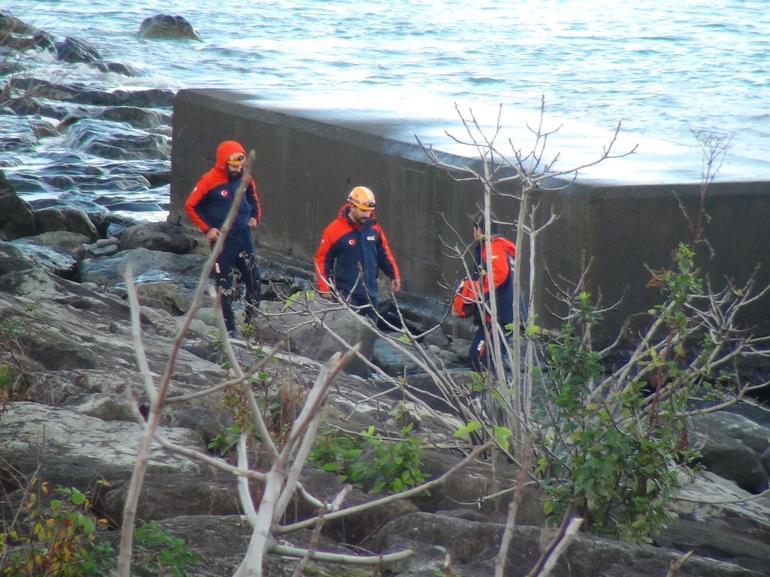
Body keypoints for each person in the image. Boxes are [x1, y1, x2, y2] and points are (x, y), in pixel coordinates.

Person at [184, 140, 262, 338]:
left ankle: (251, 320)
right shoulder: (209, 180)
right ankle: (230, 330)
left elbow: (253, 199)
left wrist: (255, 217)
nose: (237, 170)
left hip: (243, 236)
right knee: (224, 284)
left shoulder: (246, 178)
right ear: (223, 163)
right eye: (233, 166)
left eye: (240, 166)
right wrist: (207, 229)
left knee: (253, 278)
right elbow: (191, 205)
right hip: (222, 242)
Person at [314, 185, 401, 319]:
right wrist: (324, 287)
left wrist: (394, 275)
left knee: (371, 330)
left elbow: (384, 252)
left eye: (369, 211)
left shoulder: (373, 227)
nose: (367, 214)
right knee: (348, 331)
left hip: (370, 292)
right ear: (352, 206)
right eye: (363, 210)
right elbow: (322, 260)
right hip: (347, 293)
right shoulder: (333, 231)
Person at [452, 215, 517, 371]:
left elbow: (497, 274)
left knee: (479, 357)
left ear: (478, 230)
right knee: (488, 357)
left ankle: (484, 394)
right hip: (498, 315)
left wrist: (471, 296)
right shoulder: (499, 247)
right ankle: (489, 392)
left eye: (474, 230)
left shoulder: (493, 248)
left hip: (497, 317)